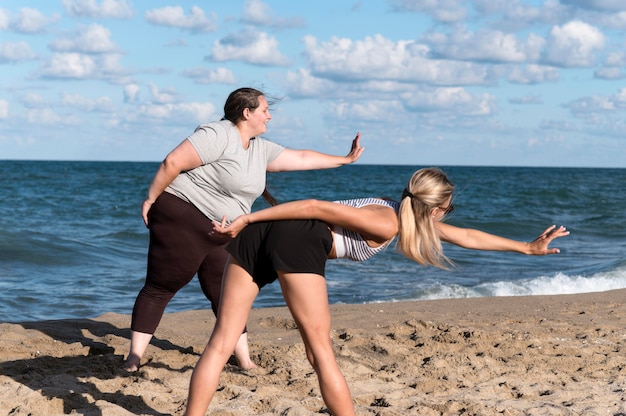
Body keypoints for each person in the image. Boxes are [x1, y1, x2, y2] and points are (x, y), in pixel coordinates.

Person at [183, 167, 570, 416]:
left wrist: (526, 247)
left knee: (222, 343)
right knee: (320, 352)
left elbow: (466, 237)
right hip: (289, 236)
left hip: (259, 237)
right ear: (434, 210)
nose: (447, 220)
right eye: (447, 211)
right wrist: (247, 216)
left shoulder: (398, 215)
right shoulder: (384, 222)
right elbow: (316, 206)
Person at [123, 87, 364, 372]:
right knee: (163, 285)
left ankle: (244, 360)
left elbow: (300, 158)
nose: (269, 116)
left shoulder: (260, 149)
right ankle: (133, 358)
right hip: (184, 215)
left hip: (223, 231)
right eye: (264, 110)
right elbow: (172, 162)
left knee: (226, 294)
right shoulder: (218, 134)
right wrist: (150, 199)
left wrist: (344, 160)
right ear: (246, 112)